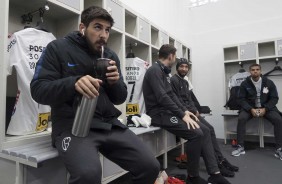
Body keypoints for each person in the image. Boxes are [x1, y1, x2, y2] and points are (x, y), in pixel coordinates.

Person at [30, 6, 160, 184]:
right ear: (82, 27)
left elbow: (119, 98)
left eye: (107, 30)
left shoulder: (110, 55)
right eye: (97, 27)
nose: (104, 35)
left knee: (150, 166)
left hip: (108, 124)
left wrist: (115, 83)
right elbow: (38, 90)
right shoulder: (57, 48)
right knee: (88, 175)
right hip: (73, 126)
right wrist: (73, 83)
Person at [143, 44, 231, 184]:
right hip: (158, 114)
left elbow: (172, 95)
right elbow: (162, 97)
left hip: (168, 111)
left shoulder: (164, 72)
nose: (175, 59)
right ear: (171, 56)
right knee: (196, 134)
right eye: (175, 57)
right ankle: (193, 177)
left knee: (206, 130)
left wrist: (184, 111)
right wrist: (182, 114)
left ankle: (215, 173)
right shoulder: (154, 71)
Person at [170, 58, 239, 177]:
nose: (184, 69)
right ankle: (215, 166)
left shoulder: (185, 82)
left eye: (186, 67)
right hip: (183, 114)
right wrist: (190, 111)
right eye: (182, 66)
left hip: (191, 112)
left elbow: (190, 99)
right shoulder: (173, 80)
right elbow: (177, 101)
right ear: (177, 67)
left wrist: (196, 110)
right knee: (205, 130)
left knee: (211, 129)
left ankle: (221, 160)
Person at [231, 64, 282, 159]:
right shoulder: (244, 83)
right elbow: (241, 99)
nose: (255, 71)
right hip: (250, 108)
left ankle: (279, 148)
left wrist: (265, 108)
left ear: (260, 71)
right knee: (241, 118)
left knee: (278, 119)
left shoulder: (269, 82)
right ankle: (240, 146)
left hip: (266, 108)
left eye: (257, 69)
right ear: (250, 71)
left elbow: (274, 98)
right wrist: (250, 109)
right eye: (253, 70)